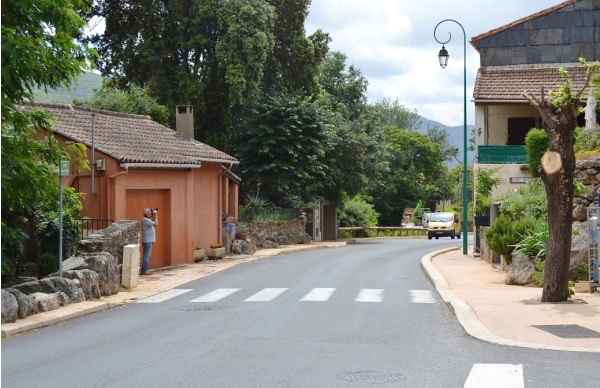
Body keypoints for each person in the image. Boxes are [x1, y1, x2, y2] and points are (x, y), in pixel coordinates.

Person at [141, 208, 158, 275]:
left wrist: (154, 216)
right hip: (148, 241)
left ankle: (145, 269)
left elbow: (153, 222)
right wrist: (156, 215)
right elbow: (156, 224)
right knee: (146, 256)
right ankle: (144, 270)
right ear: (147, 213)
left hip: (149, 240)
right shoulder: (145, 220)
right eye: (150, 212)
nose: (151, 213)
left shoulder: (147, 220)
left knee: (148, 256)